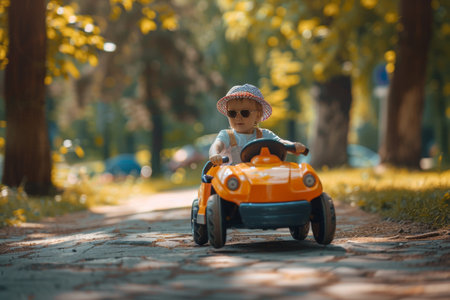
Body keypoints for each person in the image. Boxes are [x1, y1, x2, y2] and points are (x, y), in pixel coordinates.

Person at [209, 83, 307, 165]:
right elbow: (216, 145)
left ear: (258, 115)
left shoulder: (265, 135)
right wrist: (214, 154)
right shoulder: (226, 136)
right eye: (232, 113)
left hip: (260, 178)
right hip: (234, 183)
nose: (238, 117)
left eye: (245, 113)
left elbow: (280, 143)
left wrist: (293, 146)